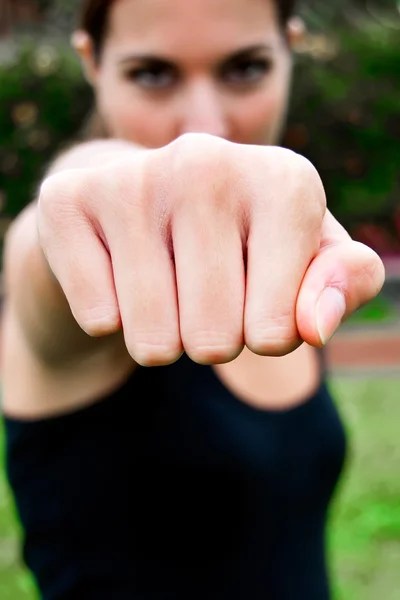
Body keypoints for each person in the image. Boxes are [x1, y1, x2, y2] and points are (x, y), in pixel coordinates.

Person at [1, 0, 385, 599]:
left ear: (290, 48)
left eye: (245, 68)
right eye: (151, 74)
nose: (204, 128)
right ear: (92, 63)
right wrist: (91, 191)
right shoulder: (78, 274)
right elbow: (43, 257)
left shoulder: (287, 265)